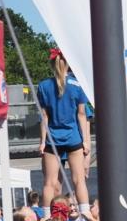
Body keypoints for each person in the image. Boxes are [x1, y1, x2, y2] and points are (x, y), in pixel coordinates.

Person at [38, 49, 91, 210]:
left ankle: (48, 216)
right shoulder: (78, 85)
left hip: (52, 139)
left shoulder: (43, 86)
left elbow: (44, 117)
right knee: (79, 180)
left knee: (49, 182)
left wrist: (42, 141)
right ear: (68, 65)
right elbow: (82, 115)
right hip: (74, 138)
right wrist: (86, 141)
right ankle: (85, 213)